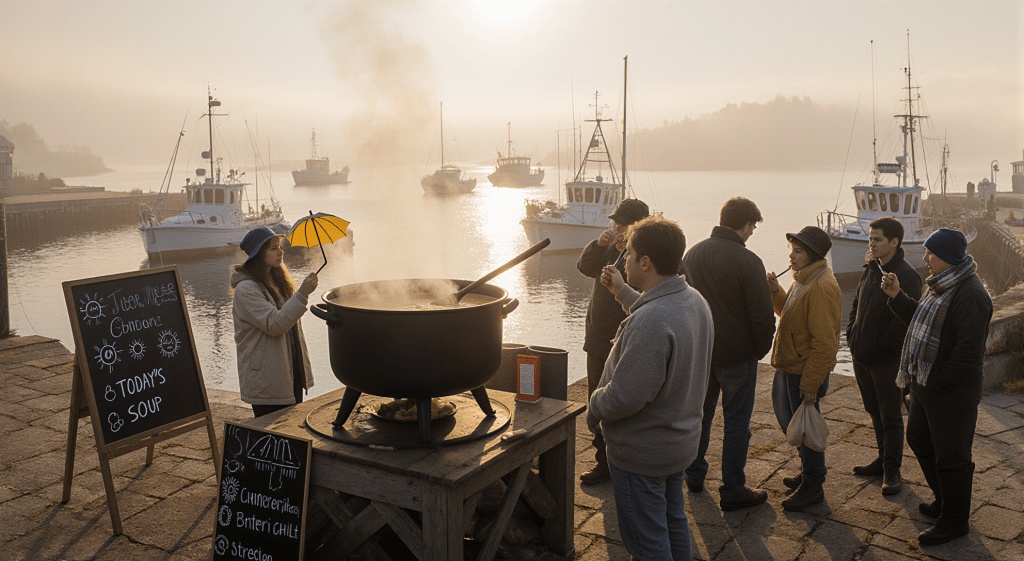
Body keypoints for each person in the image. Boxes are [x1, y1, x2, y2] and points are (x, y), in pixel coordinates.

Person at [588, 216, 712, 560]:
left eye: (628, 253)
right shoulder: (694, 300)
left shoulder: (652, 320)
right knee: (673, 521)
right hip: (678, 442)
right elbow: (660, 315)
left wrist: (594, 406)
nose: (623, 259)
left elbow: (626, 396)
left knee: (647, 541)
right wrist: (622, 294)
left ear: (645, 262)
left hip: (643, 452)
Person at [881, 228, 992, 545]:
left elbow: (968, 353)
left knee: (952, 456)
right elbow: (922, 321)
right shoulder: (942, 286)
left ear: (947, 257)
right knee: (919, 438)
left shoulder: (971, 294)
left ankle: (955, 521)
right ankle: (945, 500)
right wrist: (897, 298)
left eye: (930, 253)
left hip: (950, 394)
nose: (925, 258)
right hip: (927, 388)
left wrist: (937, 383)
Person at [680, 197, 776, 511]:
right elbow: (762, 316)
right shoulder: (749, 262)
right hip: (737, 357)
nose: (751, 234)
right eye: (752, 228)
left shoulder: (692, 253)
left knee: (699, 417)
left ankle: (694, 475)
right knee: (736, 424)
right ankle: (733, 489)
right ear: (746, 224)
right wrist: (759, 350)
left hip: (701, 352)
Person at [766, 226, 841, 511]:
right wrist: (776, 292)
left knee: (806, 429)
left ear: (812, 255)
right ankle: (808, 471)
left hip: (804, 370)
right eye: (792, 250)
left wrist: (810, 384)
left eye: (797, 252)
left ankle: (813, 484)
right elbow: (791, 313)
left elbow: (824, 343)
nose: (791, 256)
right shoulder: (805, 279)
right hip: (792, 364)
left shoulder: (821, 287)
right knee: (793, 422)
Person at [575, 198, 650, 484]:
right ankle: (602, 462)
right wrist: (598, 244)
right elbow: (583, 266)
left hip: (628, 339)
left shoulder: (643, 258)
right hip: (597, 338)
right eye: (615, 222)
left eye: (622, 223)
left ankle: (628, 462)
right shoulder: (607, 250)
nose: (616, 227)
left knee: (627, 403)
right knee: (596, 398)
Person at [846, 217, 922, 495]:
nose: (872, 244)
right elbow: (857, 304)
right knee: (873, 411)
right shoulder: (871, 269)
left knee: (890, 415)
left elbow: (904, 323)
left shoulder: (908, 276)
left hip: (886, 360)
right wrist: (852, 335)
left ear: (894, 242)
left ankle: (893, 470)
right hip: (861, 354)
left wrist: (876, 347)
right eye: (870, 239)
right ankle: (881, 460)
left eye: (877, 240)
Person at [231, 226, 319, 417]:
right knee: (272, 439)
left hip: (290, 370)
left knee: (291, 433)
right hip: (266, 376)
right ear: (258, 254)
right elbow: (275, 324)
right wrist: (302, 294)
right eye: (273, 248)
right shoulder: (246, 289)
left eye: (279, 247)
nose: (281, 251)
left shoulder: (277, 280)